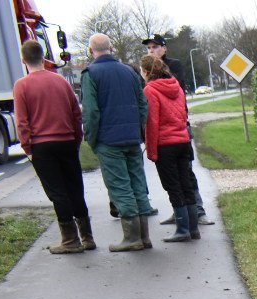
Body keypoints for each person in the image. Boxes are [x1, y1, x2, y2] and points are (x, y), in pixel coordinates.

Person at [13, 39, 93, 254]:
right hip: (66, 141)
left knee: (57, 192)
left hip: (42, 145)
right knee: (75, 188)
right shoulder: (61, 81)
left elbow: (22, 121)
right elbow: (76, 113)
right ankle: (87, 236)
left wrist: (27, 147)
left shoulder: (22, 85)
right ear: (43, 58)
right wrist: (76, 139)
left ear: (23, 60)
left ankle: (70, 240)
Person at [81, 34, 152, 252]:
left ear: (91, 50)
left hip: (108, 140)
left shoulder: (90, 74)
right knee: (138, 183)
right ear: (111, 48)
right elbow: (143, 104)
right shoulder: (129, 71)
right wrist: (138, 130)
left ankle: (132, 238)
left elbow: (91, 111)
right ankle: (145, 236)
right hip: (132, 138)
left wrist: (92, 138)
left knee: (120, 186)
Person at [142, 34, 210, 228]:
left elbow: (154, 117)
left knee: (184, 176)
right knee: (176, 180)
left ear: (164, 48)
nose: (152, 50)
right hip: (175, 132)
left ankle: (196, 213)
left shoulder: (172, 70)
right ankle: (184, 217)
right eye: (149, 48)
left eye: (155, 47)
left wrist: (151, 147)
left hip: (174, 130)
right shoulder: (150, 82)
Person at [142, 56, 198, 242]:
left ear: (147, 71)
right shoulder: (177, 86)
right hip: (183, 141)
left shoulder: (150, 90)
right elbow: (183, 113)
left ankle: (182, 229)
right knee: (186, 185)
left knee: (173, 187)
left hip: (165, 144)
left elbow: (152, 122)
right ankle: (193, 228)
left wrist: (151, 151)